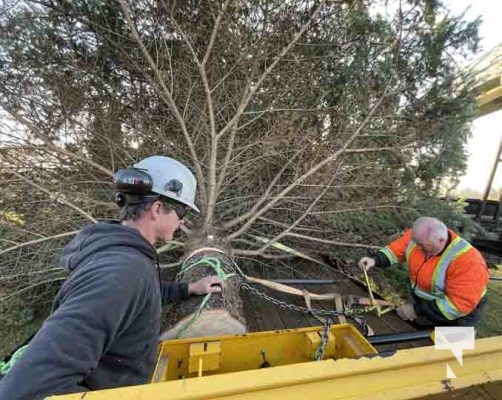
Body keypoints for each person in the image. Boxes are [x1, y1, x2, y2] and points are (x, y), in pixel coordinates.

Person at [0, 156, 223, 399]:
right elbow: (26, 389)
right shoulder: (122, 271)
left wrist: (189, 288)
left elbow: (141, 295)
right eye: (182, 211)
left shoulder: (125, 260)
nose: (182, 221)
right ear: (158, 209)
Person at [359, 217, 489, 327]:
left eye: (423, 246)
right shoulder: (419, 237)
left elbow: (457, 305)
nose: (418, 248)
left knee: (450, 352)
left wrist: (416, 310)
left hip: (459, 316)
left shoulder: (469, 262)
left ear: (441, 241)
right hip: (425, 304)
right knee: (415, 339)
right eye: (418, 244)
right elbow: (395, 251)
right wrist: (374, 260)